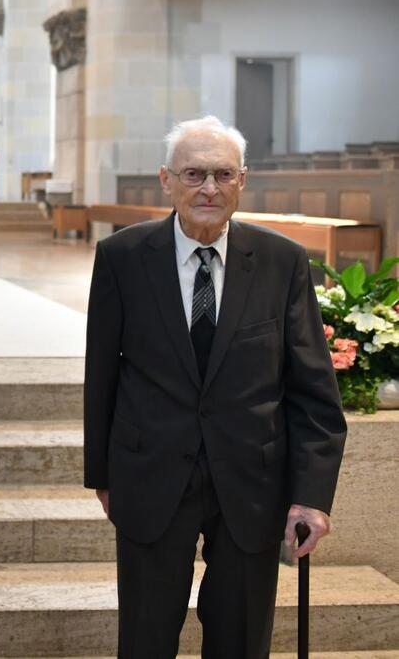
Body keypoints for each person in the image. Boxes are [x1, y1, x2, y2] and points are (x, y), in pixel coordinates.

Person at [83, 115, 346, 658]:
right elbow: (102, 375)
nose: (209, 188)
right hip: (151, 474)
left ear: (242, 180)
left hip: (253, 479)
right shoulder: (123, 257)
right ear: (166, 180)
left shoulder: (283, 262)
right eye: (194, 174)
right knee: (146, 638)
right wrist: (103, 477)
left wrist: (312, 496)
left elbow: (314, 391)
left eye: (223, 174)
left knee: (241, 639)